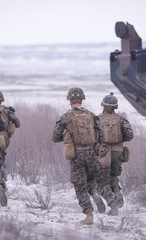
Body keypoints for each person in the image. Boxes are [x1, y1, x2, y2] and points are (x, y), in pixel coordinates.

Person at [52, 87, 105, 225]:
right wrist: (96, 147)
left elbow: (55, 137)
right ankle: (95, 194)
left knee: (80, 185)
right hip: (91, 153)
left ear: (70, 100)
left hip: (76, 155)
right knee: (91, 178)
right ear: (82, 100)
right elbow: (101, 134)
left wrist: (66, 135)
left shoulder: (66, 116)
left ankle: (89, 214)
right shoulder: (91, 115)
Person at [98, 93, 133, 208]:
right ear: (115, 106)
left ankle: (112, 205)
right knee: (113, 176)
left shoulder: (98, 119)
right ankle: (117, 193)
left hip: (103, 154)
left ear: (103, 105)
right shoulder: (121, 119)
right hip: (118, 153)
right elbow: (129, 135)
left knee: (102, 181)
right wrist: (119, 140)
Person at [0, 91, 20, 181]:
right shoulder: (7, 110)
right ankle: (2, 177)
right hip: (4, 138)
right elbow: (18, 124)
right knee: (1, 156)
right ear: (2, 99)